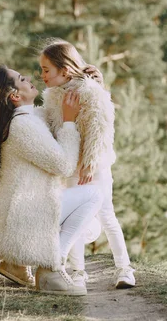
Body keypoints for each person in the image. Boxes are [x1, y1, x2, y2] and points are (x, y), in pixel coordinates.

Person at [0, 65, 103, 295]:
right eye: (21, 78)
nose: (29, 77)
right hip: (25, 218)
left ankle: (16, 264)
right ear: (15, 96)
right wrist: (69, 122)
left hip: (21, 215)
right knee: (94, 195)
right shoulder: (22, 125)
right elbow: (64, 166)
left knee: (91, 227)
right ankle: (51, 266)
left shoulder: (29, 118)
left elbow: (54, 113)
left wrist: (95, 85)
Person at [39, 40, 135, 289]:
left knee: (106, 215)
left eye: (46, 70)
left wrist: (91, 163)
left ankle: (124, 269)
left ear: (65, 70)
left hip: (95, 166)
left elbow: (101, 128)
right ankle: (78, 271)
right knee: (76, 220)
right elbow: (53, 130)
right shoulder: (51, 98)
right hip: (71, 168)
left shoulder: (91, 91)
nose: (42, 76)